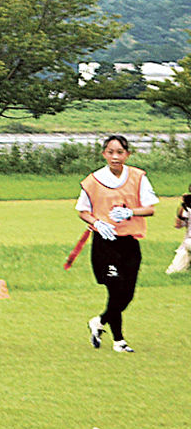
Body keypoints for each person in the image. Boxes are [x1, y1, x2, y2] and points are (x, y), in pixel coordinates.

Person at [77, 135, 158, 352]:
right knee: (115, 289)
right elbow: (83, 211)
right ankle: (119, 341)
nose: (115, 156)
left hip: (130, 242)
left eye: (120, 152)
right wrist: (97, 222)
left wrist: (131, 211)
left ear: (127, 154)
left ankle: (99, 322)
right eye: (110, 152)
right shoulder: (93, 180)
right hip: (106, 243)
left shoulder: (138, 177)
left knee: (127, 294)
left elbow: (150, 208)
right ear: (104, 154)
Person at [165, 184, 191, 274]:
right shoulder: (188, 208)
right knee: (173, 272)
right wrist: (182, 207)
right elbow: (178, 225)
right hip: (188, 243)